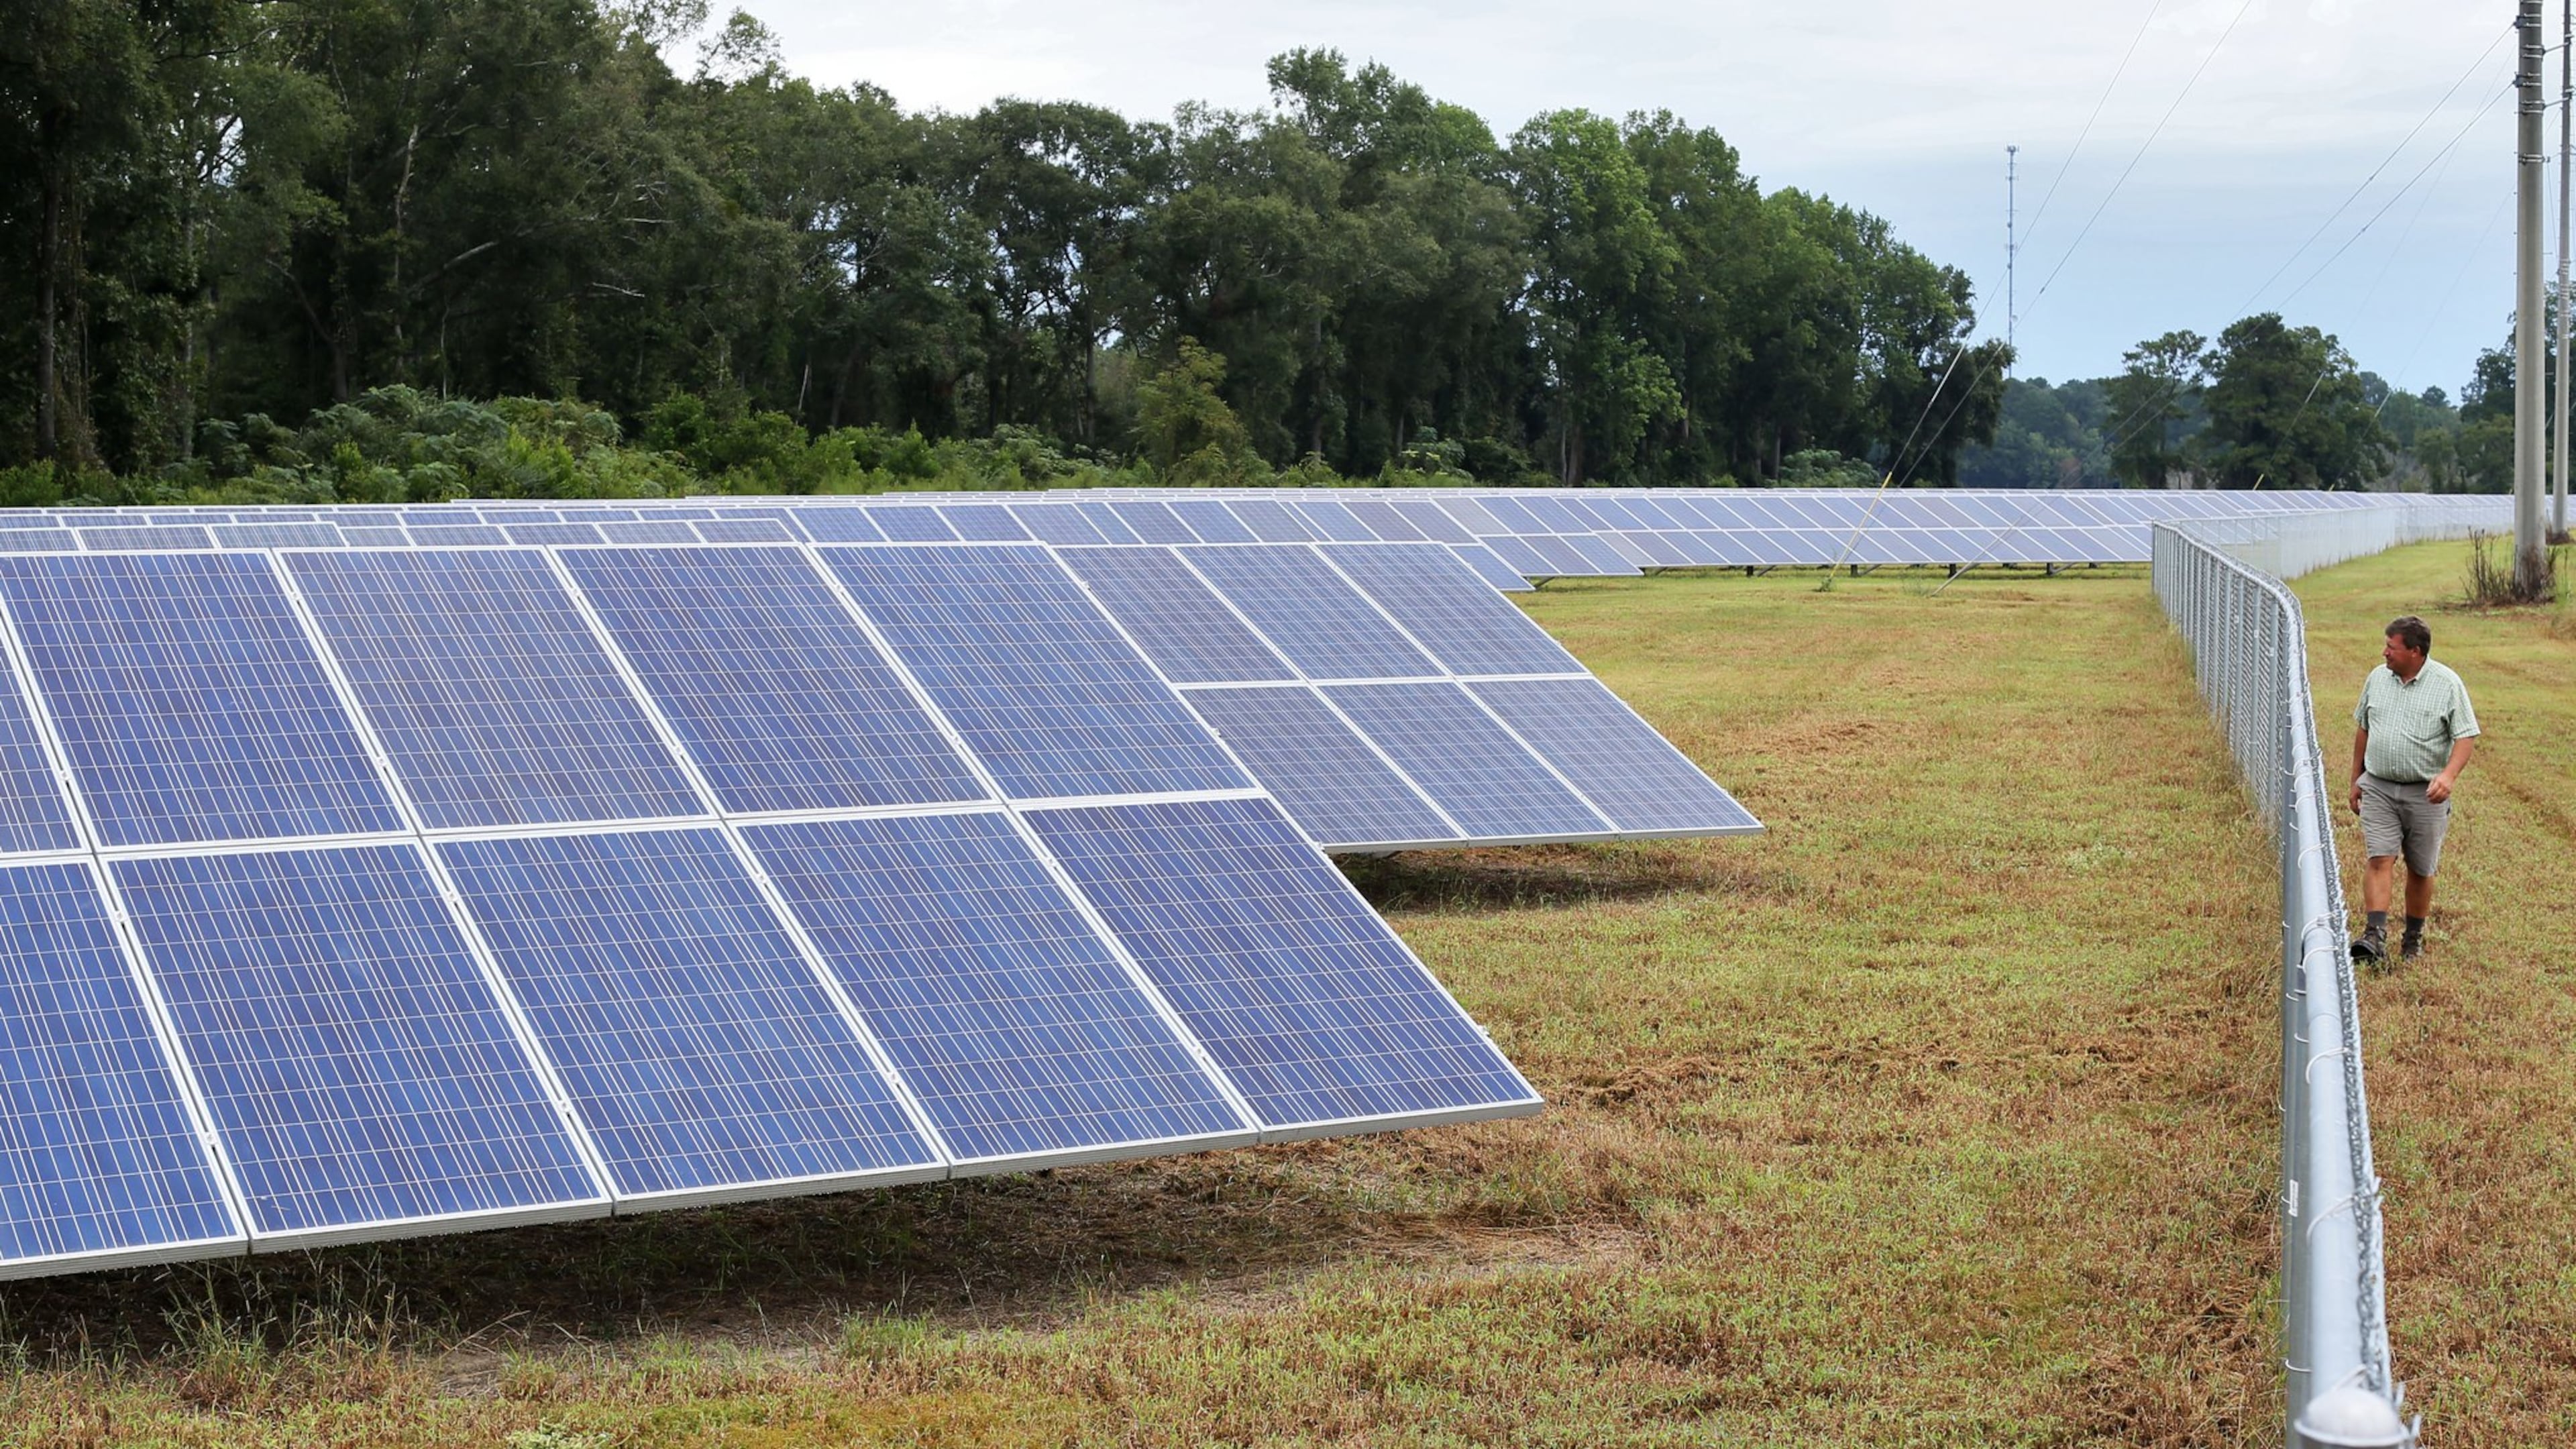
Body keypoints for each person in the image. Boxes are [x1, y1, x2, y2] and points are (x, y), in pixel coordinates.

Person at [2349, 614, 2477, 963]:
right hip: (2378, 787)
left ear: (2415, 652)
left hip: (2425, 795)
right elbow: (2363, 728)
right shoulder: (2377, 678)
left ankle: (2413, 940)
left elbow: (2465, 736)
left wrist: (2448, 777)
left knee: (2421, 869)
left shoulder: (2447, 684)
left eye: (2392, 647)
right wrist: (2355, 780)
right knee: (2380, 857)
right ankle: (2374, 937)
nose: (2384, 653)